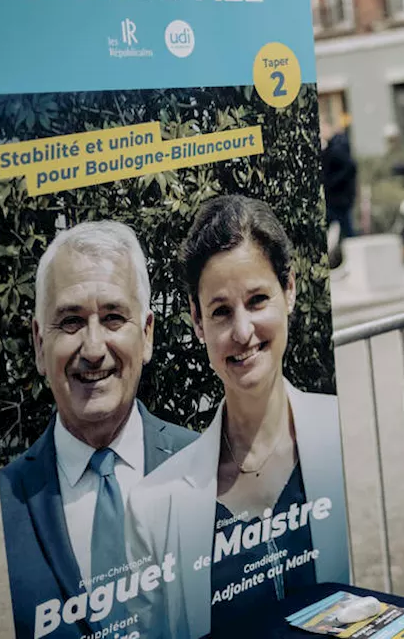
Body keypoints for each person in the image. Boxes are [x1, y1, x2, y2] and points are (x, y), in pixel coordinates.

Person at [126, 195, 348, 639]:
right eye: (221, 311)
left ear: (290, 290)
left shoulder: (346, 436)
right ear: (196, 320)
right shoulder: (154, 507)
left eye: (257, 299)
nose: (242, 331)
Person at [0, 221, 197, 639]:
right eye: (70, 322)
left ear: (146, 335)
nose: (92, 349)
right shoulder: (1, 505)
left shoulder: (211, 468)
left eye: (112, 318)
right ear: (38, 344)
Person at [320, 119, 357, 244]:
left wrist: (332, 182)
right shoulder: (331, 146)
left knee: (345, 226)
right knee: (343, 226)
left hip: (339, 197)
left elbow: (350, 167)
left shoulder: (337, 148)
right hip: (336, 197)